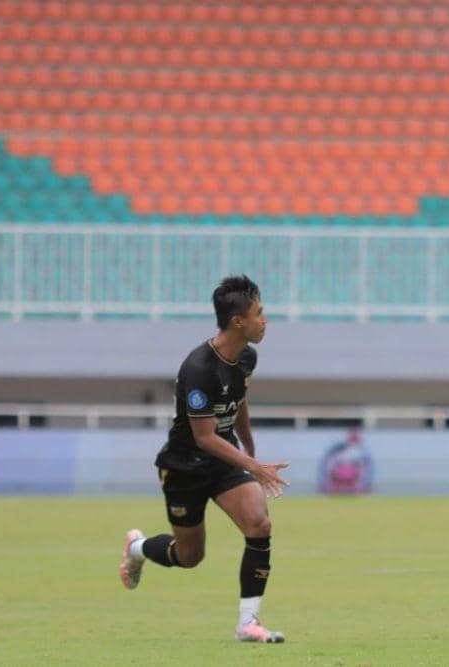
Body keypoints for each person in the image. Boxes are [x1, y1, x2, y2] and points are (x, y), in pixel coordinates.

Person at [118, 275, 291, 644]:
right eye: (259, 314)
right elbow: (204, 437)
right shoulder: (198, 369)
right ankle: (136, 548)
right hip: (184, 468)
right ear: (237, 321)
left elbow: (239, 398)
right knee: (189, 555)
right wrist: (253, 466)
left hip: (224, 461)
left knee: (259, 524)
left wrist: (249, 447)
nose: (265, 321)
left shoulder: (247, 356)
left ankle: (248, 624)